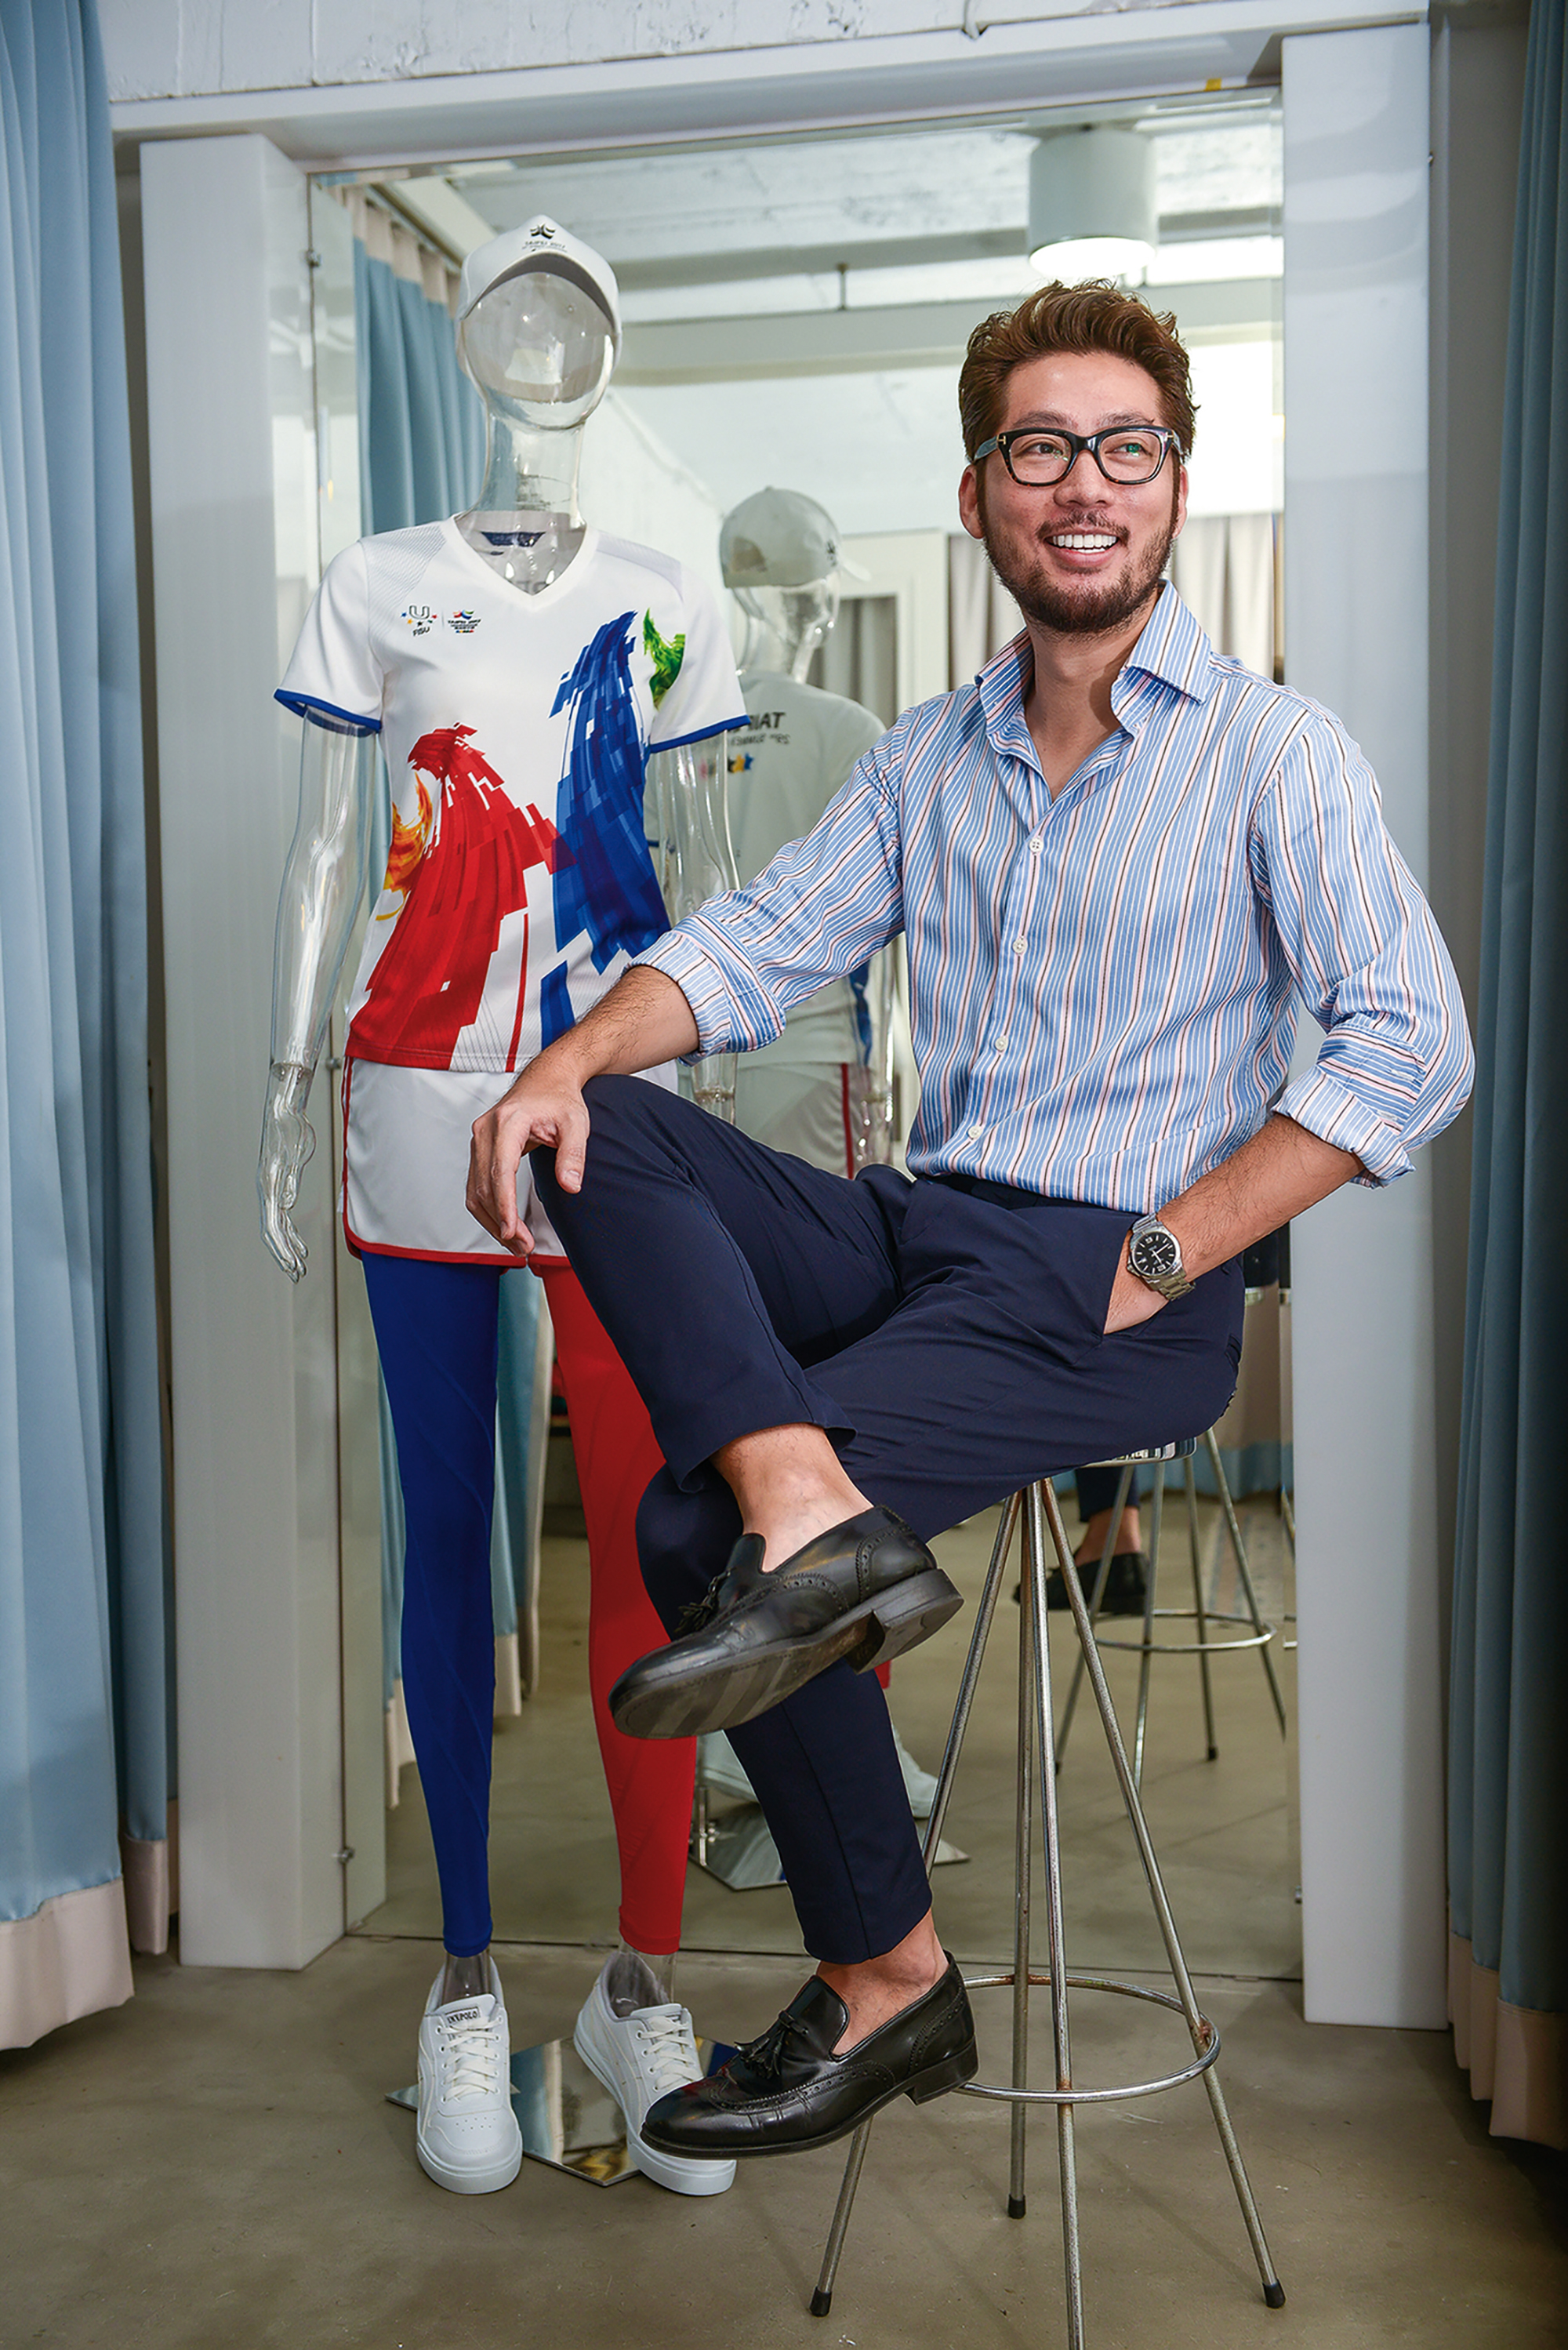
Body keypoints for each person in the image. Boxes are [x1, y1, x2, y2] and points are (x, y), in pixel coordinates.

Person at [464, 280, 1474, 2162]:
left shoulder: (1277, 752)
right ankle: (808, 1505)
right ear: (978, 492)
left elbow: (1413, 1040)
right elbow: (757, 947)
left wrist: (1172, 1244)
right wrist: (563, 1055)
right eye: (1040, 448)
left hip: (1113, 1270)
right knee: (609, 1123)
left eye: (1124, 447)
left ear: (1172, 484)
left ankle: (886, 1973)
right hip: (923, 1223)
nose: (1083, 483)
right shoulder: (926, 755)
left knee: (686, 1527)